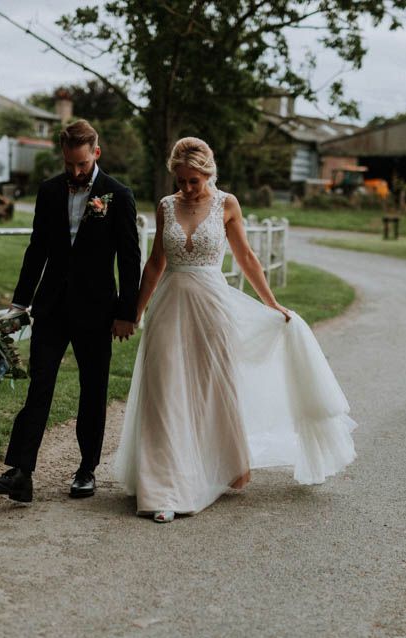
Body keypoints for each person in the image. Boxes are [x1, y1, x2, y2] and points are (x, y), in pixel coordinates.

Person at [114, 137, 356, 523]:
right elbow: (156, 262)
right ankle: (163, 488)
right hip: (169, 308)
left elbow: (246, 256)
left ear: (208, 174)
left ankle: (223, 464)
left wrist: (270, 302)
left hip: (213, 307)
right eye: (181, 181)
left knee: (213, 389)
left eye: (194, 181)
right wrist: (135, 312)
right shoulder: (165, 206)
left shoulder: (226, 204)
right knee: (164, 393)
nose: (187, 189)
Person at [0, 119, 141, 503]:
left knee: (93, 389)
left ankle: (86, 470)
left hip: (97, 309)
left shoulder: (117, 195)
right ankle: (21, 473)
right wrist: (19, 304)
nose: (74, 172)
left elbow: (130, 258)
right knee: (40, 385)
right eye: (69, 164)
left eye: (82, 165)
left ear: (96, 154)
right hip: (51, 306)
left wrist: (127, 312)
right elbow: (37, 249)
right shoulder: (49, 191)